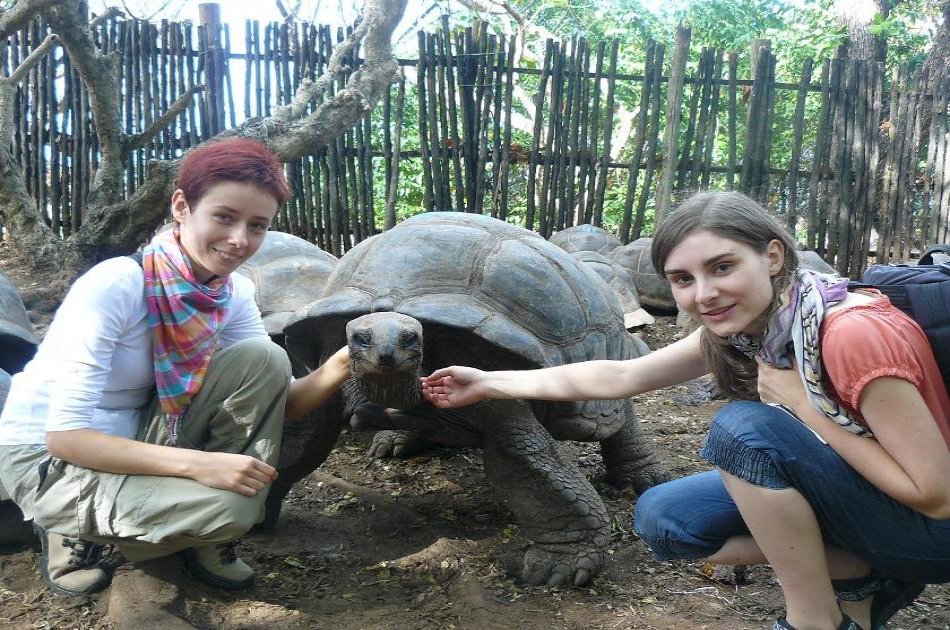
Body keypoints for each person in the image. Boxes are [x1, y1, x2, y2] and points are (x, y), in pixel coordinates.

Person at [421, 191, 950, 630]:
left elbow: (935, 496)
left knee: (744, 430)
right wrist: (490, 382)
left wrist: (800, 407)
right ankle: (864, 570)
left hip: (932, 533)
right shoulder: (753, 333)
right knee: (665, 520)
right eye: (683, 279)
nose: (705, 294)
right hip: (869, 493)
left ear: (772, 256)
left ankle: (815, 620)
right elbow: (621, 376)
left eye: (723, 267)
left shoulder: (850, 332)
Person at [0, 137, 350, 597]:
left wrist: (348, 361)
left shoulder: (230, 293)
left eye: (257, 226)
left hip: (137, 432)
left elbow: (281, 403)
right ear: (182, 206)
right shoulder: (116, 285)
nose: (239, 240)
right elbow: (66, 436)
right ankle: (68, 523)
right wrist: (199, 466)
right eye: (224, 217)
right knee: (232, 509)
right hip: (50, 453)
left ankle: (188, 532)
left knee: (264, 358)